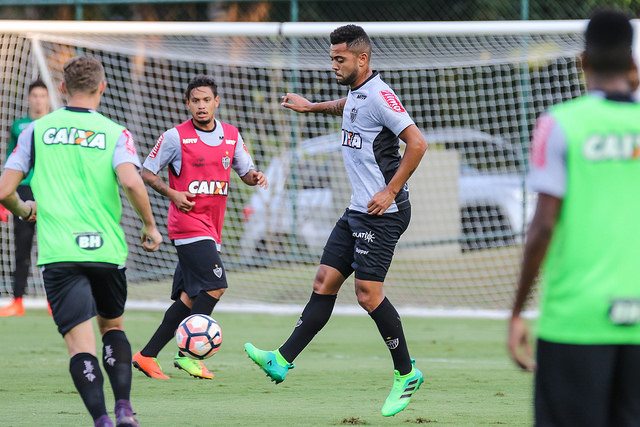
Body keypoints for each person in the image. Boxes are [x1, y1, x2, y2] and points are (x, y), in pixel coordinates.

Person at [244, 24, 428, 417]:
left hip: (383, 212)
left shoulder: (382, 94)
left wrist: (390, 190)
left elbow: (417, 142)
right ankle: (282, 358)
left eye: (339, 59)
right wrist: (312, 107)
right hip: (357, 208)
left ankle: (406, 372)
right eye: (331, 58)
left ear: (362, 58)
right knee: (324, 281)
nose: (333, 65)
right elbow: (351, 107)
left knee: (367, 294)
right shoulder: (358, 92)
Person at [0, 56, 162, 427]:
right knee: (113, 328)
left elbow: (5, 190)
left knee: (79, 343)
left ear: (61, 89)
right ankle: (124, 408)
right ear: (101, 88)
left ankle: (101, 420)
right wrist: (150, 225)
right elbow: (132, 182)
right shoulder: (114, 132)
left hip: (60, 252)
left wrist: (25, 211)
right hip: (106, 249)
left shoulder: (37, 132)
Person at [508, 10, 640, 426]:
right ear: (632, 65)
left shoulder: (560, 123)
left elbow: (543, 226)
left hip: (575, 321)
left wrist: (516, 310)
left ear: (582, 61)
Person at [132, 75, 267, 380]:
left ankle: (147, 355)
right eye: (196, 101)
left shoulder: (231, 135)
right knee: (216, 285)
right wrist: (174, 194)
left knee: (190, 299)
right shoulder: (174, 137)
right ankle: (188, 354)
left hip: (212, 227)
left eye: (207, 100)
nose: (202, 106)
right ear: (188, 104)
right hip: (187, 225)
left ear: (216, 102)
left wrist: (256, 176)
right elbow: (146, 173)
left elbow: (245, 171)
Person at [0, 79, 50, 317]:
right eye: (35, 95)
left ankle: (54, 301)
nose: (39, 100)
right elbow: (11, 159)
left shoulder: (54, 126)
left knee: (52, 246)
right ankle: (17, 300)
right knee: (22, 247)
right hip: (24, 190)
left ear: (48, 99)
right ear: (29, 98)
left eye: (42, 95)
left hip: (49, 189)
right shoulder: (19, 126)